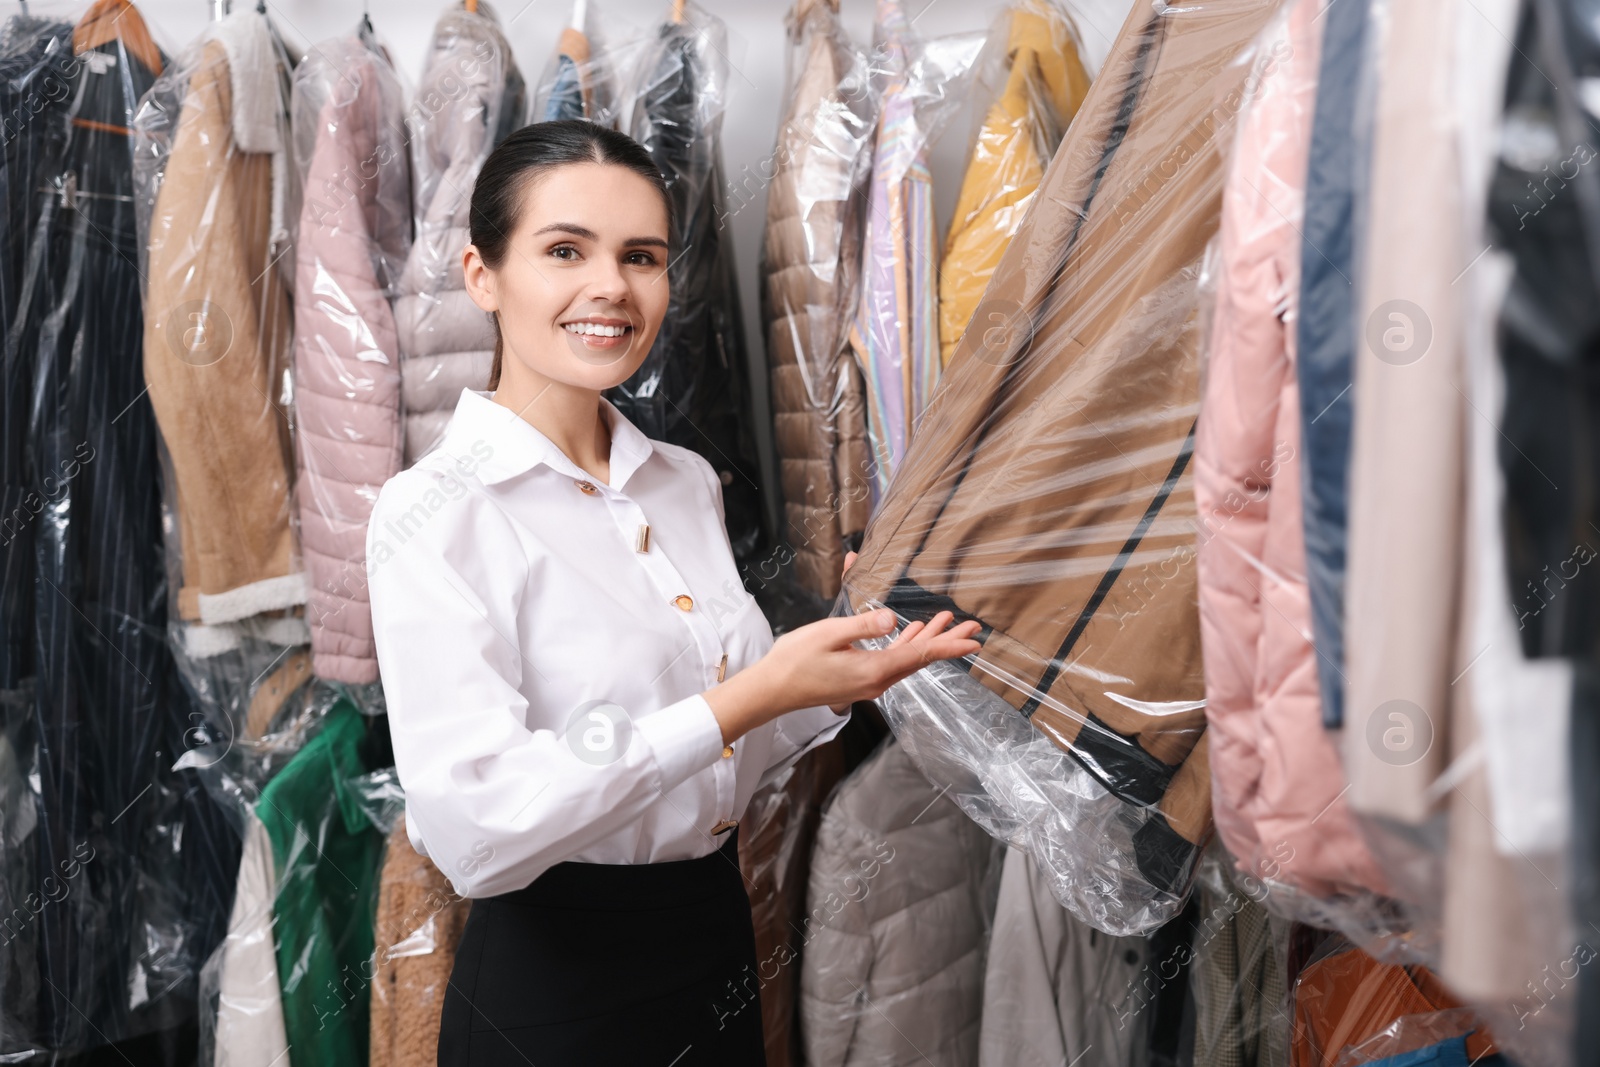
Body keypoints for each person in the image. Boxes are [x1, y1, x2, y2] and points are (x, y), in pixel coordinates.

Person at [366, 119, 981, 1066]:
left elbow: (716, 742)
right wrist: (752, 694)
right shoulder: (434, 511)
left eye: (640, 256)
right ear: (482, 275)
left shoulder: (684, 480)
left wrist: (844, 667)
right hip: (555, 992)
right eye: (565, 250)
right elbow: (476, 829)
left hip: (713, 943)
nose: (611, 286)